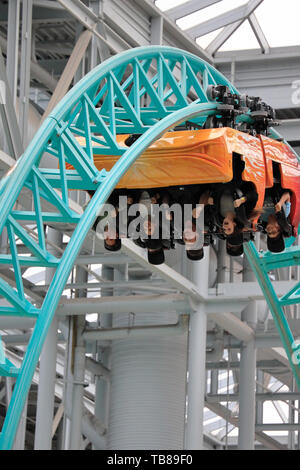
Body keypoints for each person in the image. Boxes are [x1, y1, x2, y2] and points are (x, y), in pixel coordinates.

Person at [259, 187, 292, 253]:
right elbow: (287, 194)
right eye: (273, 232)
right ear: (279, 228)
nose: (269, 230)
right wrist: (280, 203)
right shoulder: (284, 214)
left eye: (269, 233)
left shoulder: (260, 217)